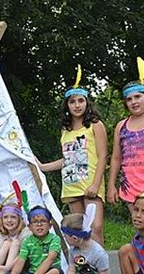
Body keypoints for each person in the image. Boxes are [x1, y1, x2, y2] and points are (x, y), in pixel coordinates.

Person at [38, 69, 107, 245]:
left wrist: (96, 184)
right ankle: (86, 269)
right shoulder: (65, 131)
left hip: (90, 183)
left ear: (87, 103)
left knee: (95, 227)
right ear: (67, 105)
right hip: (72, 185)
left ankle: (102, 269)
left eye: (81, 101)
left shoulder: (95, 126)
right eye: (72, 102)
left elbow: (102, 156)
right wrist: (43, 166)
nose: (77, 105)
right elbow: (69, 159)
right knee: (78, 230)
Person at [32, 207, 112, 274]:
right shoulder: (73, 250)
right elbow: (72, 268)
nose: (64, 239)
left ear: (75, 238)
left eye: (65, 237)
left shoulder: (99, 253)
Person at [107, 80, 144, 211]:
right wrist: (111, 185)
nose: (134, 102)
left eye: (138, 97)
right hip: (130, 185)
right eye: (129, 99)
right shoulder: (121, 126)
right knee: (139, 225)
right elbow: (116, 158)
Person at [5, 206, 63, 274]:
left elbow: (50, 259)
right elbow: (21, 260)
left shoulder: (54, 238)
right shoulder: (27, 241)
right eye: (35, 222)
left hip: (48, 271)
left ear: (50, 225)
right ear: (29, 227)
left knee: (55, 272)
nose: (39, 225)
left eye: (43, 221)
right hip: (32, 273)